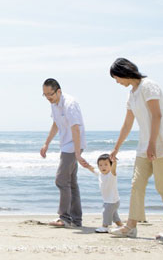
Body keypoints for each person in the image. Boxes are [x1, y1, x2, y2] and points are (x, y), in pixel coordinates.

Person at [107, 58, 163, 239]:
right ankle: (131, 226)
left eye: (116, 78)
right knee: (136, 184)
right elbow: (127, 123)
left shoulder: (149, 86)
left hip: (161, 144)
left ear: (124, 73)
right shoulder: (132, 94)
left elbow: (157, 115)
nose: (117, 82)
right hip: (145, 145)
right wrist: (116, 148)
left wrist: (152, 144)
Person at [40, 78, 89, 228]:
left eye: (51, 94)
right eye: (45, 95)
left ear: (59, 91)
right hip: (66, 146)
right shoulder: (55, 105)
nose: (48, 97)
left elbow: (75, 128)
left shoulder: (70, 104)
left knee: (61, 180)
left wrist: (77, 153)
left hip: (73, 145)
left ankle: (64, 217)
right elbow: (56, 124)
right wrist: (46, 143)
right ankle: (76, 219)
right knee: (71, 183)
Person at [84, 154, 123, 233]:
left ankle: (105, 226)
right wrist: (87, 166)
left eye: (106, 164)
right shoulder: (100, 174)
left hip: (112, 201)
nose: (103, 167)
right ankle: (120, 225)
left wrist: (114, 162)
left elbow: (114, 169)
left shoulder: (111, 174)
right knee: (114, 215)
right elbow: (93, 170)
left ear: (110, 165)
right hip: (110, 200)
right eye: (100, 165)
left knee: (106, 212)